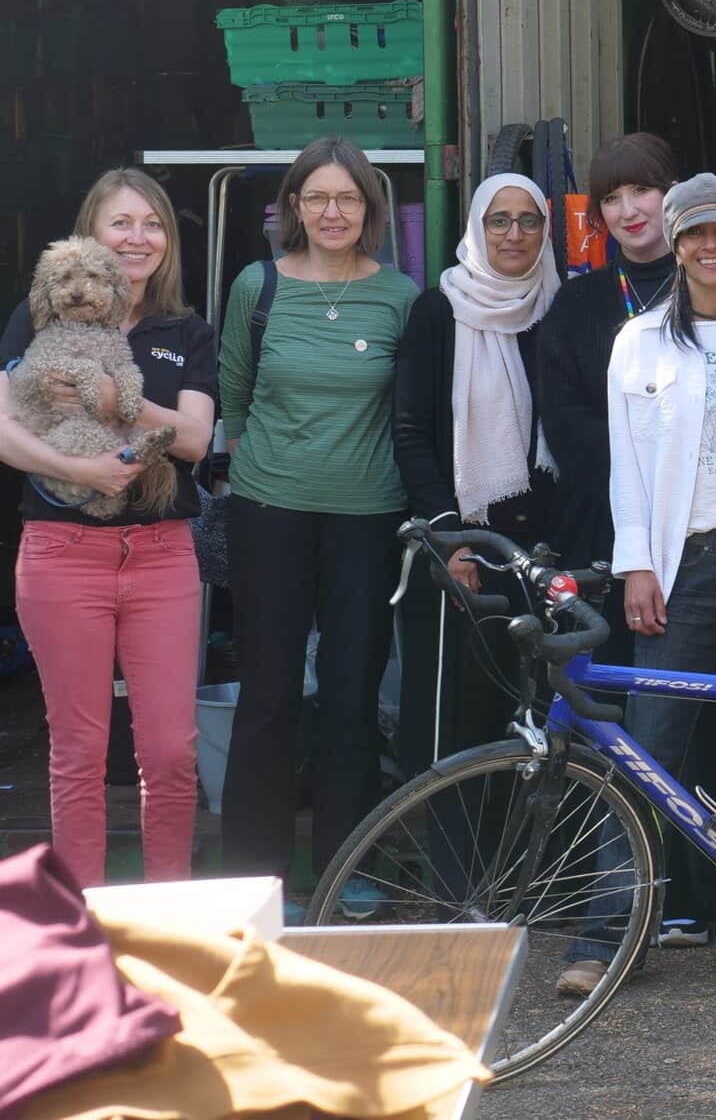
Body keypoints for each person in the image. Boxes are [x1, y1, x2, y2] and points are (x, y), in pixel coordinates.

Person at [560, 175, 716, 995]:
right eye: (695, 233)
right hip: (685, 565)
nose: (711, 246)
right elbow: (626, 465)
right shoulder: (639, 342)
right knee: (649, 750)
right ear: (676, 244)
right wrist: (637, 561)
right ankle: (608, 933)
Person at [0, 171, 216, 885]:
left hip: (160, 555)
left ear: (167, 240)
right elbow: (3, 428)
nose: (137, 238)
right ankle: (81, 923)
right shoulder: (37, 320)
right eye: (120, 223)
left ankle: (171, 912)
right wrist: (77, 468)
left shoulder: (185, 331)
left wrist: (110, 398)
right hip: (63, 552)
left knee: (170, 751)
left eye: (151, 224)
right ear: (89, 235)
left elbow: (194, 440)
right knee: (79, 752)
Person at [218, 137, 420, 901]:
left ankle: (348, 872)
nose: (332, 212)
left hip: (367, 517)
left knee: (350, 694)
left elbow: (410, 409)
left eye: (347, 199)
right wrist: (261, 469)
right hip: (269, 512)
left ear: (368, 208)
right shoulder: (256, 287)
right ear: (292, 208)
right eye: (317, 198)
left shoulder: (399, 296)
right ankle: (254, 878)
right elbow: (233, 394)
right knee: (268, 694)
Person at [391, 172, 562, 781]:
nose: (514, 234)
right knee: (453, 726)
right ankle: (447, 875)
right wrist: (450, 537)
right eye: (499, 220)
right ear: (476, 227)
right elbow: (410, 431)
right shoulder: (439, 310)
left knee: (535, 729)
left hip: (542, 556)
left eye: (529, 221)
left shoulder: (556, 307)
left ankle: (526, 874)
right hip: (464, 552)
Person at [537, 132, 679, 579]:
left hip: (703, 518)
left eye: (642, 191)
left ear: (673, 192)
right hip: (604, 523)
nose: (629, 210)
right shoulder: (576, 303)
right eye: (612, 198)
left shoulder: (713, 287)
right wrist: (640, 482)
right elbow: (563, 420)